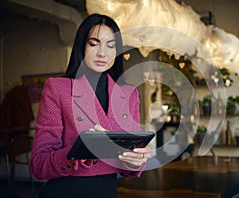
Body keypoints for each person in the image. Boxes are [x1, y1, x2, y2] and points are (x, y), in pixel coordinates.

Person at [29, 14, 152, 198]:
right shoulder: (58, 89)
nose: (103, 53)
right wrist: (80, 150)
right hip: (65, 192)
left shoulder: (129, 94)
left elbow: (127, 165)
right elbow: (38, 165)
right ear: (82, 46)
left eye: (111, 46)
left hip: (108, 192)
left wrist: (135, 161)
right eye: (94, 43)